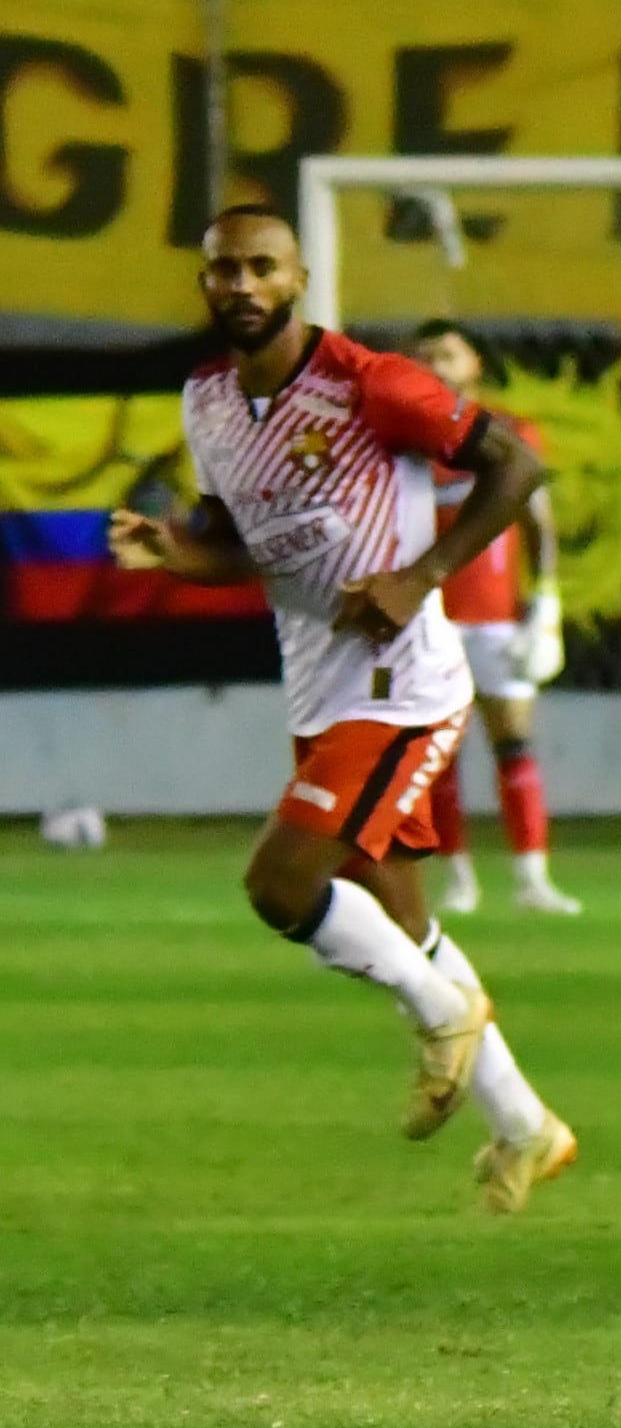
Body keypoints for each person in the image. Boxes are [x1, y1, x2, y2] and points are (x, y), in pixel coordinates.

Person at [104, 210, 578, 1213]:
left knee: (281, 886)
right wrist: (177, 553)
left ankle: (441, 1015)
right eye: (223, 268)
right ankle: (528, 1127)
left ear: (298, 278)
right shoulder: (208, 403)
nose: (241, 283)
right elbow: (241, 542)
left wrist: (424, 574)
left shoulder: (375, 384)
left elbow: (517, 467)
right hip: (321, 686)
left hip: (402, 684)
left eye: (261, 267)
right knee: (400, 918)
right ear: (204, 282)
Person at [402, 322, 582, 918]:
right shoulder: (402, 443)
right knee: (439, 753)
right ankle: (459, 881)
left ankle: (533, 878)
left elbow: (538, 524)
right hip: (427, 618)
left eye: (446, 354)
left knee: (514, 741)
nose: (435, 366)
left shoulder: (506, 435)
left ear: (473, 364)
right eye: (424, 357)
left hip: (496, 617)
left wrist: (546, 602)